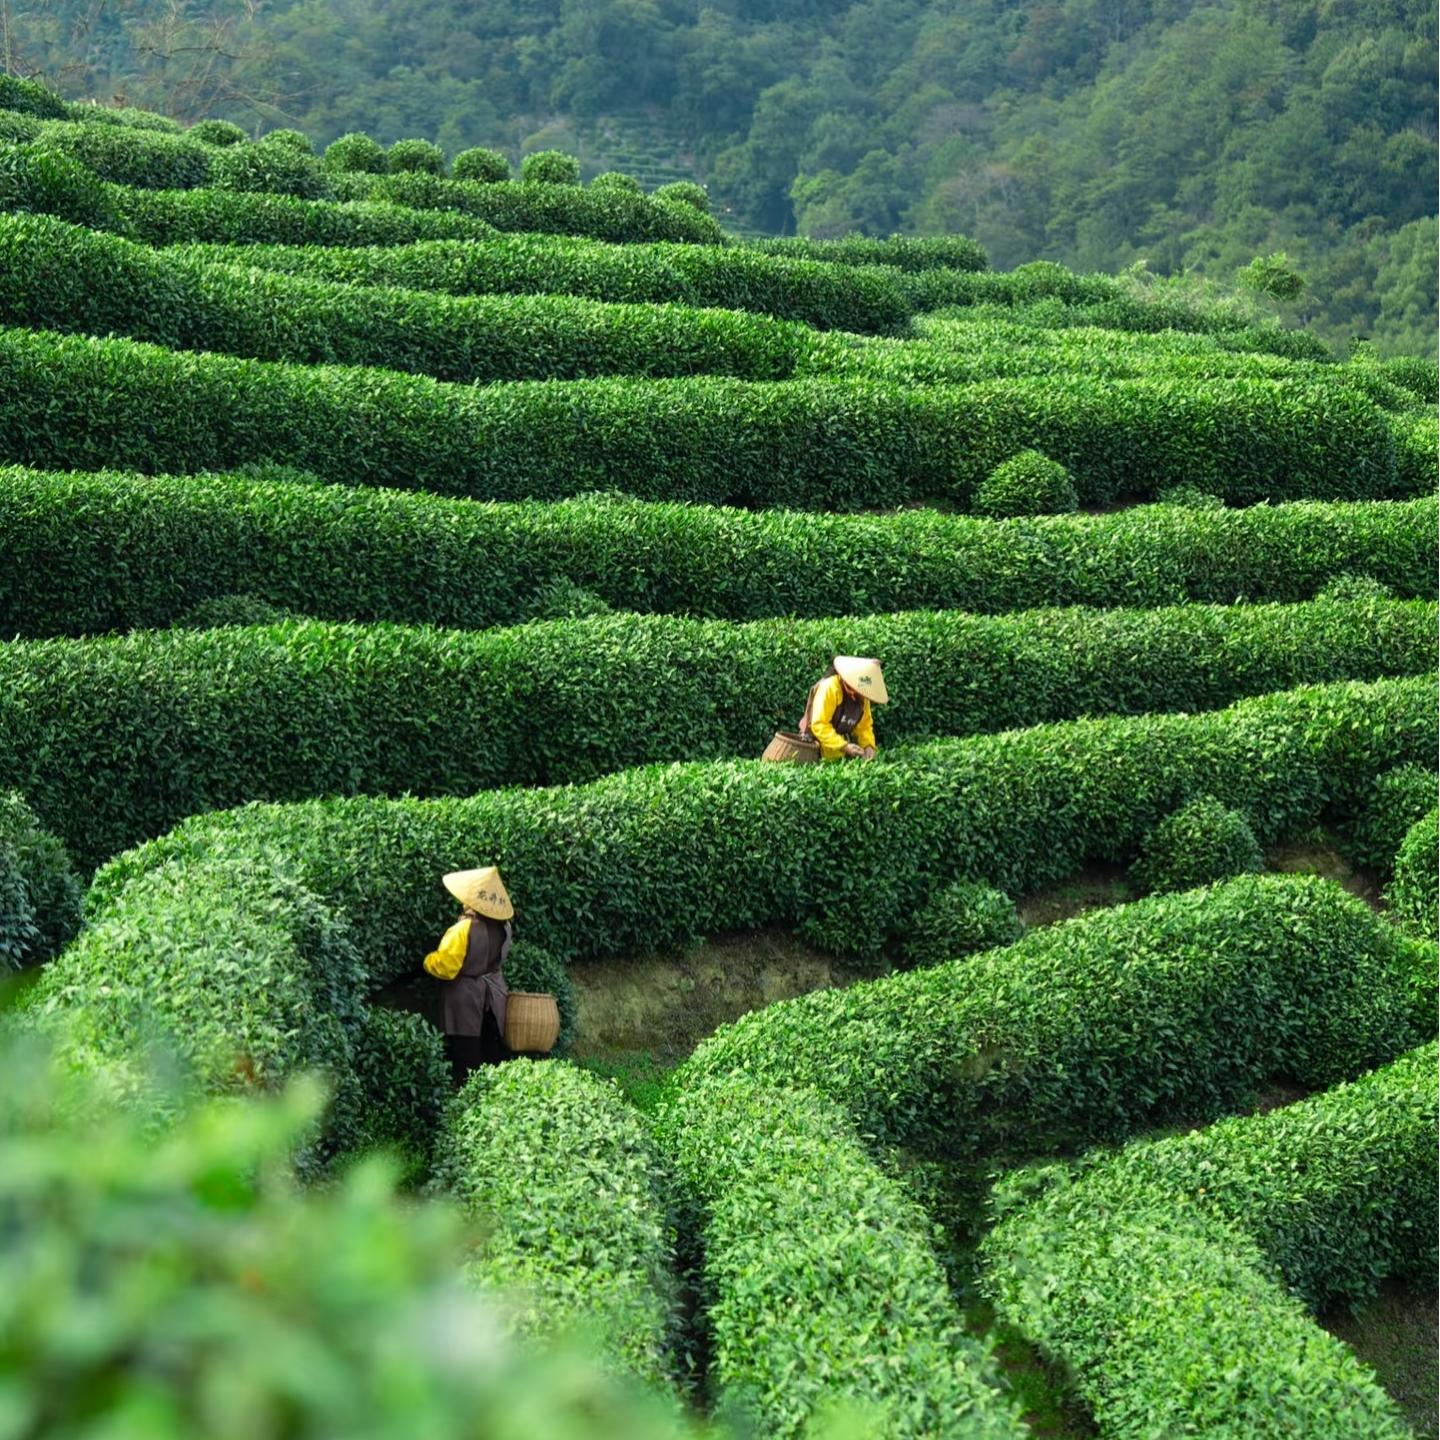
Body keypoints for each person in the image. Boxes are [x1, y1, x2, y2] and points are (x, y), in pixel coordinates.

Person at [423, 866, 513, 1084]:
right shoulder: (506, 927)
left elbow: (446, 967)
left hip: (465, 998)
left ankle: (466, 1097)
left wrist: (427, 960)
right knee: (491, 1051)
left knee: (465, 1055)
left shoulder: (463, 929)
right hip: (495, 996)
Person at [800, 656, 888, 761]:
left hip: (839, 751)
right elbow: (819, 724)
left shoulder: (863, 696)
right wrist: (844, 746)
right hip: (814, 748)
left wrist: (868, 746)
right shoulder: (830, 687)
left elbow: (864, 725)